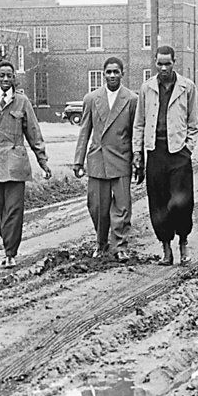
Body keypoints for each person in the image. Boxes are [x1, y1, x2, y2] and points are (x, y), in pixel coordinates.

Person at [0, 61, 51, 268]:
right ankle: (8, 244)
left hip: (16, 163)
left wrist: (43, 161)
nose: (5, 79)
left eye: (9, 76)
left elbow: (34, 134)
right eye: (2, 75)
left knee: (14, 210)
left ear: (14, 78)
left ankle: (10, 252)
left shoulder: (22, 102)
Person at [132, 45, 198, 265]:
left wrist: (187, 149)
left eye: (167, 63)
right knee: (159, 202)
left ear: (174, 62)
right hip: (156, 152)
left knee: (182, 202)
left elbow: (193, 124)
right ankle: (166, 249)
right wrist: (138, 153)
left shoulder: (187, 87)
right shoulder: (146, 88)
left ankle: (183, 244)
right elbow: (139, 124)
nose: (163, 68)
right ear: (154, 62)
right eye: (159, 63)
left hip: (179, 153)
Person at [72, 56, 139, 261]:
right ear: (103, 74)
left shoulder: (132, 99)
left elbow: (136, 132)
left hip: (121, 158)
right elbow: (85, 131)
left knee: (122, 206)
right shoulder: (91, 99)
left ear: (122, 74)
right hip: (97, 159)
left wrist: (138, 160)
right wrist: (78, 160)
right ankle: (101, 242)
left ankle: (120, 246)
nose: (112, 75)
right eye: (108, 72)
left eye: (115, 72)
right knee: (97, 206)